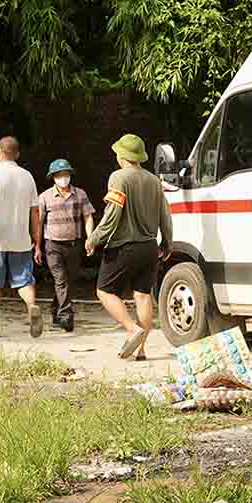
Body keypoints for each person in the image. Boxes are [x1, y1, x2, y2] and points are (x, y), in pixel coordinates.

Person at [85, 134, 173, 360]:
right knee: (143, 296)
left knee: (104, 291)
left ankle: (131, 329)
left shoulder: (118, 177)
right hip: (149, 247)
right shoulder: (154, 180)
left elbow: (112, 215)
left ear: (121, 155)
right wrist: (167, 242)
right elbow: (165, 214)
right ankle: (142, 350)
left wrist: (94, 238)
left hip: (124, 246)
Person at [0, 136, 43, 339]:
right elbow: (35, 212)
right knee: (24, 281)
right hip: (21, 239)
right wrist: (36, 238)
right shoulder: (27, 176)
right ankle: (31, 306)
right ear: (18, 154)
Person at [38, 158, 95, 332]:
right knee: (60, 280)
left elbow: (88, 217)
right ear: (53, 177)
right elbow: (39, 223)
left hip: (73, 245)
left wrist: (90, 238)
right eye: (59, 175)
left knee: (68, 281)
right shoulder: (45, 197)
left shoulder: (80, 194)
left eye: (66, 175)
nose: (63, 178)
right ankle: (66, 317)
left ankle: (55, 310)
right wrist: (37, 246)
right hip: (52, 245)